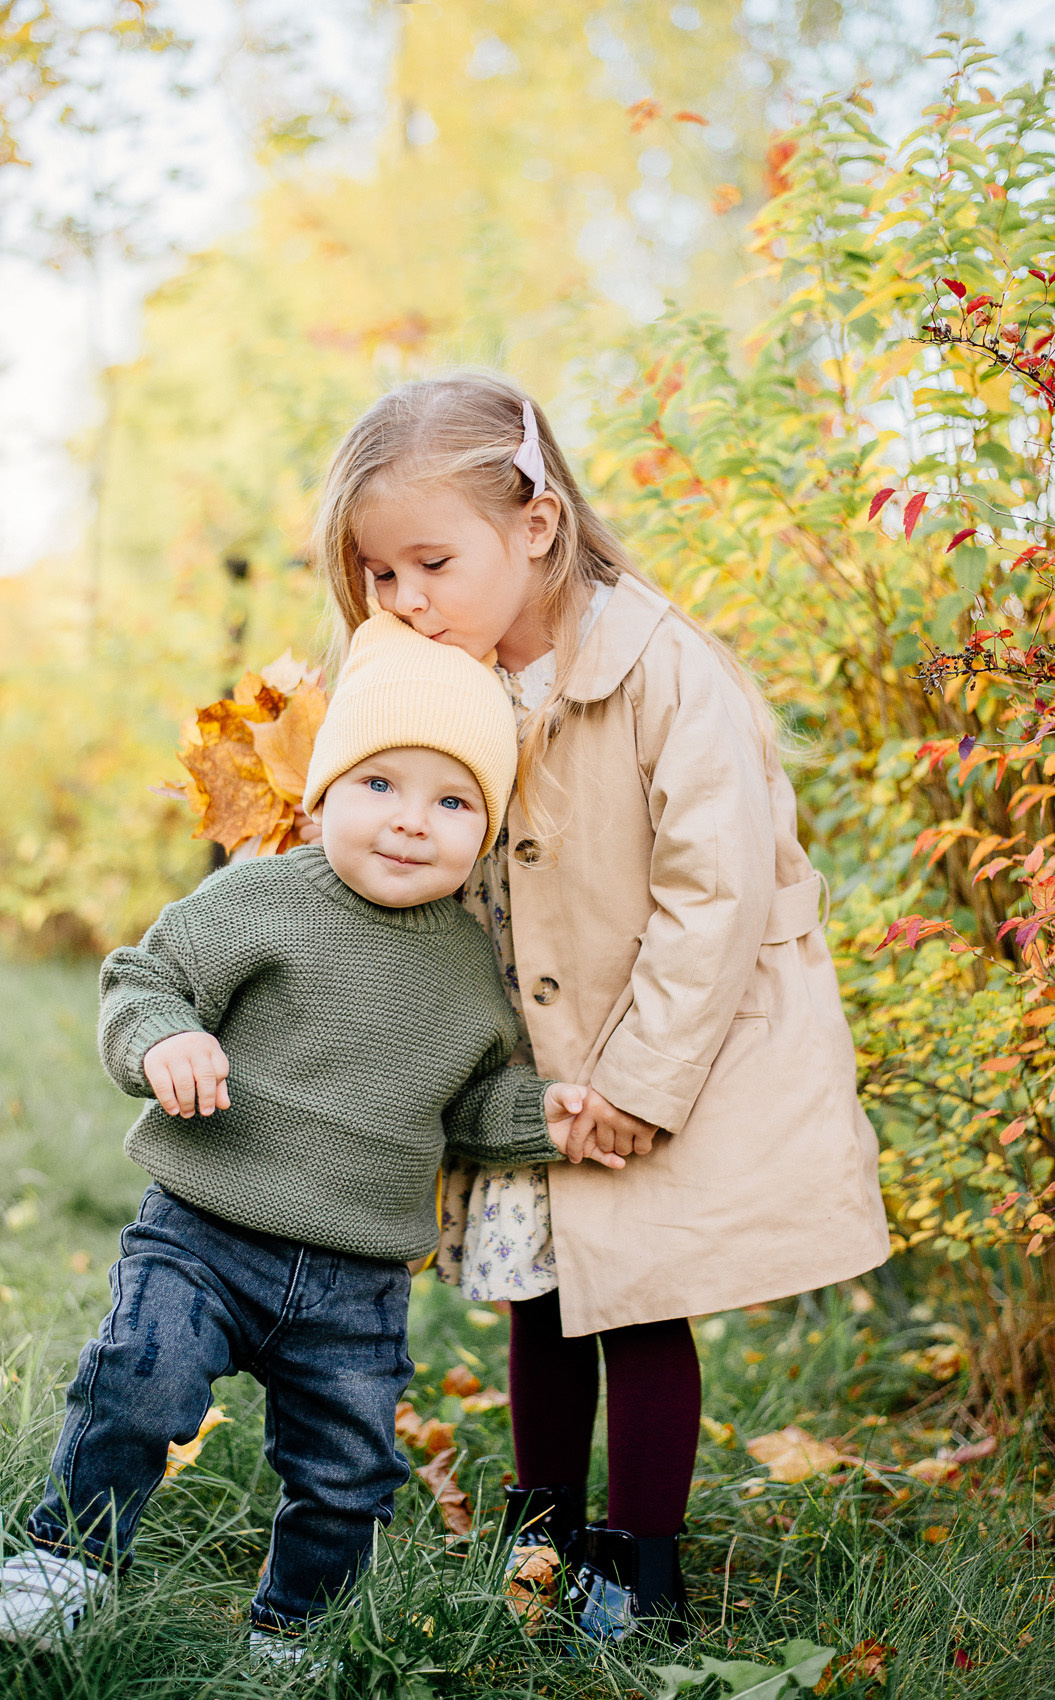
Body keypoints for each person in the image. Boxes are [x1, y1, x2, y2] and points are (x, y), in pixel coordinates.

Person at [310, 372, 891, 1641]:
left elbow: (718, 888)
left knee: (638, 1293)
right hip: (538, 1054)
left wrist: (641, 1080)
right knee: (537, 1288)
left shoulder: (659, 670)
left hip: (660, 1050)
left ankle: (642, 1560)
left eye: (429, 563)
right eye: (380, 573)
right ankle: (542, 1523)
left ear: (536, 526)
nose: (404, 599)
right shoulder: (438, 670)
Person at [0, 612, 622, 1663]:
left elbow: (463, 1107)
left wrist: (537, 1117)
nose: (412, 822)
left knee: (349, 1469)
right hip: (206, 1228)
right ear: (321, 794)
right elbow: (144, 978)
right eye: (380, 785)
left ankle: (295, 1628)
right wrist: (168, 1038)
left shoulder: (469, 966)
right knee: (138, 1379)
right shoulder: (261, 898)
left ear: (486, 832)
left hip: (358, 1275)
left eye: (452, 801)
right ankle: (66, 1561)